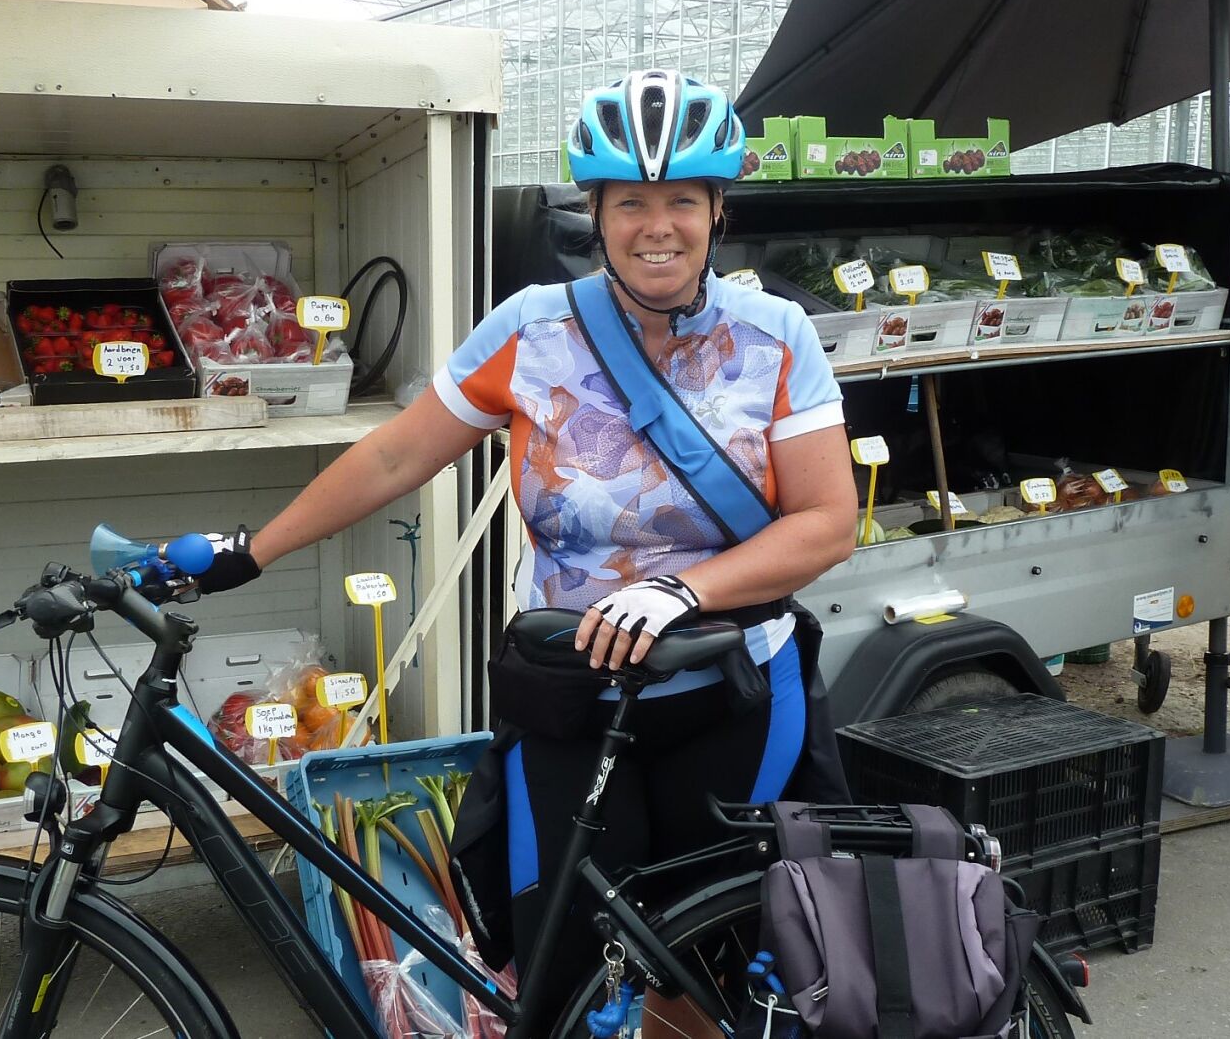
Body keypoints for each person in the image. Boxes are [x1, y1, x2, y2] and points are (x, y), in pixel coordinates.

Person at [199, 69, 857, 1035]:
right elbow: (393, 453)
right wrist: (252, 550)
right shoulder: (532, 330)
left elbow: (826, 522)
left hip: (732, 693)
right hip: (573, 691)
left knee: (705, 964)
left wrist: (686, 588)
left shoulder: (776, 337)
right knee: (564, 958)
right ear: (597, 212)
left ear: (719, 210)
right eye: (631, 201)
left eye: (683, 198)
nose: (658, 225)